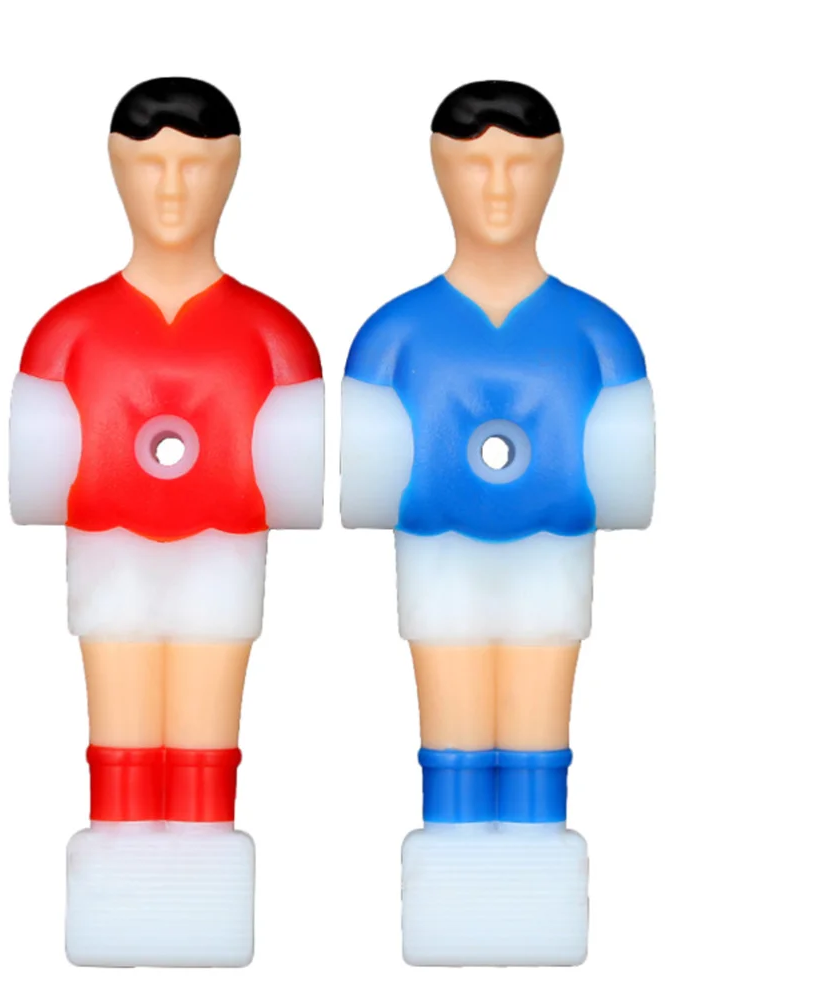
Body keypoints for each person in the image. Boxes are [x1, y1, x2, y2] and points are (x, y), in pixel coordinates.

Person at [9, 77, 323, 967]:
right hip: (109, 558)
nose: (173, 188)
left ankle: (197, 891)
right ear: (116, 170)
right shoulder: (65, 332)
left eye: (196, 165)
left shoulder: (275, 335)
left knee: (203, 731)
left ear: (232, 171)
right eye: (151, 166)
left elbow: (296, 488)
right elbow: (35, 484)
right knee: (118, 726)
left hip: (223, 560)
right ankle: (120, 886)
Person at [341, 79, 654, 965]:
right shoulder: (392, 335)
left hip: (551, 563)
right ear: (439, 172)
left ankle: (532, 872)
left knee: (538, 727)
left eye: (521, 163)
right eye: (475, 165)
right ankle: (454, 879)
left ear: (555, 171)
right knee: (451, 723)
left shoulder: (601, 335)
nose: (499, 186)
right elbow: (366, 490)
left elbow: (627, 488)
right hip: (438, 562)